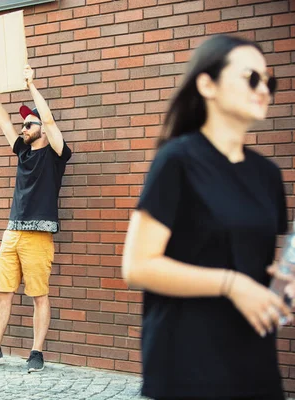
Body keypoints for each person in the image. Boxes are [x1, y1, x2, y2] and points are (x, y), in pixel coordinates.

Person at [122, 34, 291, 399]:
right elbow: (137, 266)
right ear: (207, 84)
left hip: (254, 362)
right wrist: (231, 284)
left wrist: (284, 286)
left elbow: (260, 264)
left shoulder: (268, 174)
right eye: (251, 77)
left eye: (269, 81)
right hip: (186, 362)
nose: (264, 89)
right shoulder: (177, 161)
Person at [0, 65, 72, 373]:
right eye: (24, 124)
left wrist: (31, 86)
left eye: (29, 123)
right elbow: (2, 119)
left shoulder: (57, 153)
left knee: (38, 295)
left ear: (41, 127)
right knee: (3, 292)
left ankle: (36, 353)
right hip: (12, 232)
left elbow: (51, 120)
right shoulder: (22, 151)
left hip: (39, 237)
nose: (24, 127)